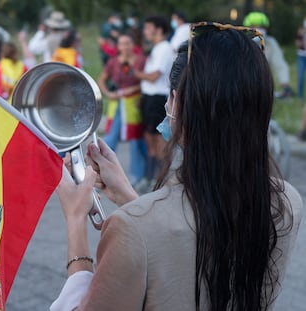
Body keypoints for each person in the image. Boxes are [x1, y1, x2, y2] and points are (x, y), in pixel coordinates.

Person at [50, 22, 303, 311]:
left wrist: (75, 222)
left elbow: (163, 239)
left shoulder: (132, 230)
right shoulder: (287, 203)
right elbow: (190, 241)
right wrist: (129, 199)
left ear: (176, 104)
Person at [97, 33, 147, 189]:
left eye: (127, 43)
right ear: (117, 47)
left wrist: (134, 89)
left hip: (134, 105)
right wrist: (107, 93)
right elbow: (102, 79)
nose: (125, 47)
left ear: (133, 45)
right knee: (109, 139)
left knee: (135, 140)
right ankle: (103, 174)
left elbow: (148, 82)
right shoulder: (113, 62)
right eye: (121, 44)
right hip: (117, 105)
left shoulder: (141, 61)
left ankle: (137, 177)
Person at [133, 16, 174, 189]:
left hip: (157, 99)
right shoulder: (156, 48)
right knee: (149, 141)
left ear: (158, 30)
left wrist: (135, 73)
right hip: (149, 99)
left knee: (159, 144)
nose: (145, 31)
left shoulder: (165, 48)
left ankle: (162, 180)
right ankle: (150, 179)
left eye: (148, 27)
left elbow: (154, 76)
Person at [243, 11, 295, 99]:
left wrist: (285, 84)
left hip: (263, 85)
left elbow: (280, 64)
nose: (258, 29)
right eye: (254, 27)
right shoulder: (241, 43)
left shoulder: (271, 43)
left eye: (260, 27)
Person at [0, 32, 35, 101]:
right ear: (15, 53)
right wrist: (23, 41)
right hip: (17, 105)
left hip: (1, 104)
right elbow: (30, 60)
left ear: (2, 53)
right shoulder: (22, 67)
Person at [296, 17, 306, 99]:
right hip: (301, 56)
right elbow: (298, 44)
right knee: (301, 77)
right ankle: (300, 96)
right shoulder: (301, 30)